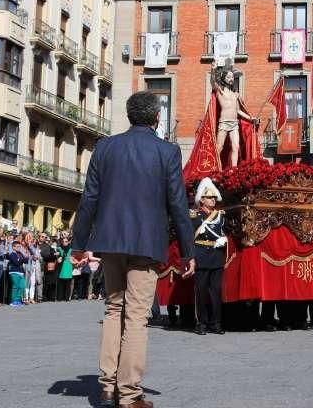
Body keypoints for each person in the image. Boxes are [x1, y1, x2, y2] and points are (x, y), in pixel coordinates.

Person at [71, 90, 195, 408]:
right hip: (146, 243)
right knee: (137, 317)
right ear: (156, 118)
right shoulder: (167, 151)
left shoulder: (105, 147)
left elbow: (90, 198)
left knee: (113, 310)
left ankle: (107, 384)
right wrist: (187, 251)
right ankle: (129, 393)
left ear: (129, 116)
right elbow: (178, 205)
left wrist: (78, 243)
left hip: (110, 242)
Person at [191, 177, 227, 336]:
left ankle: (216, 322)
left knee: (216, 292)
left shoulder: (220, 215)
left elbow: (226, 232)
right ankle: (201, 323)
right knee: (201, 292)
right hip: (201, 257)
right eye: (209, 198)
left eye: (214, 197)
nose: (213, 200)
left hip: (216, 258)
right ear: (202, 199)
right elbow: (188, 237)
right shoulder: (194, 216)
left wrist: (224, 239)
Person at [212, 68, 256, 170]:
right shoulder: (220, 91)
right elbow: (213, 81)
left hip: (234, 124)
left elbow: (238, 110)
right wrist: (213, 70)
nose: (231, 79)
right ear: (224, 78)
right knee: (219, 147)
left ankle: (234, 171)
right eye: (228, 77)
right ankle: (217, 170)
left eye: (232, 77)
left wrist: (251, 118)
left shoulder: (235, 94)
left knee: (235, 147)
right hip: (223, 122)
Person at [6, 239, 28, 306]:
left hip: (21, 272)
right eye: (17, 247)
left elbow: (26, 261)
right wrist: (22, 259)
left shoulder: (20, 253)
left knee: (22, 286)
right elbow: (16, 263)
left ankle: (18, 300)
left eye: (19, 246)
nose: (19, 248)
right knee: (15, 286)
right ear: (13, 247)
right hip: (14, 272)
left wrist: (25, 257)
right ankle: (13, 301)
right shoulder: (12, 254)